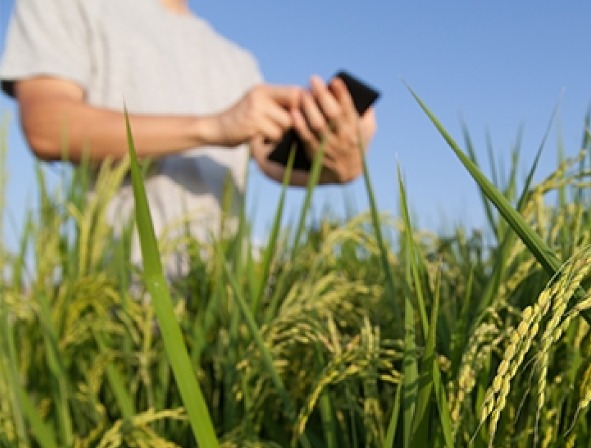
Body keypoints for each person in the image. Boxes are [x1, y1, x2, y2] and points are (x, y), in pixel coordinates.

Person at [0, 0, 377, 272]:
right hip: (119, 290)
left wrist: (338, 162)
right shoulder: (64, 6)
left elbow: (269, 159)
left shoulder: (235, 58)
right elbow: (48, 126)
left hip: (220, 296)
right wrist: (212, 127)